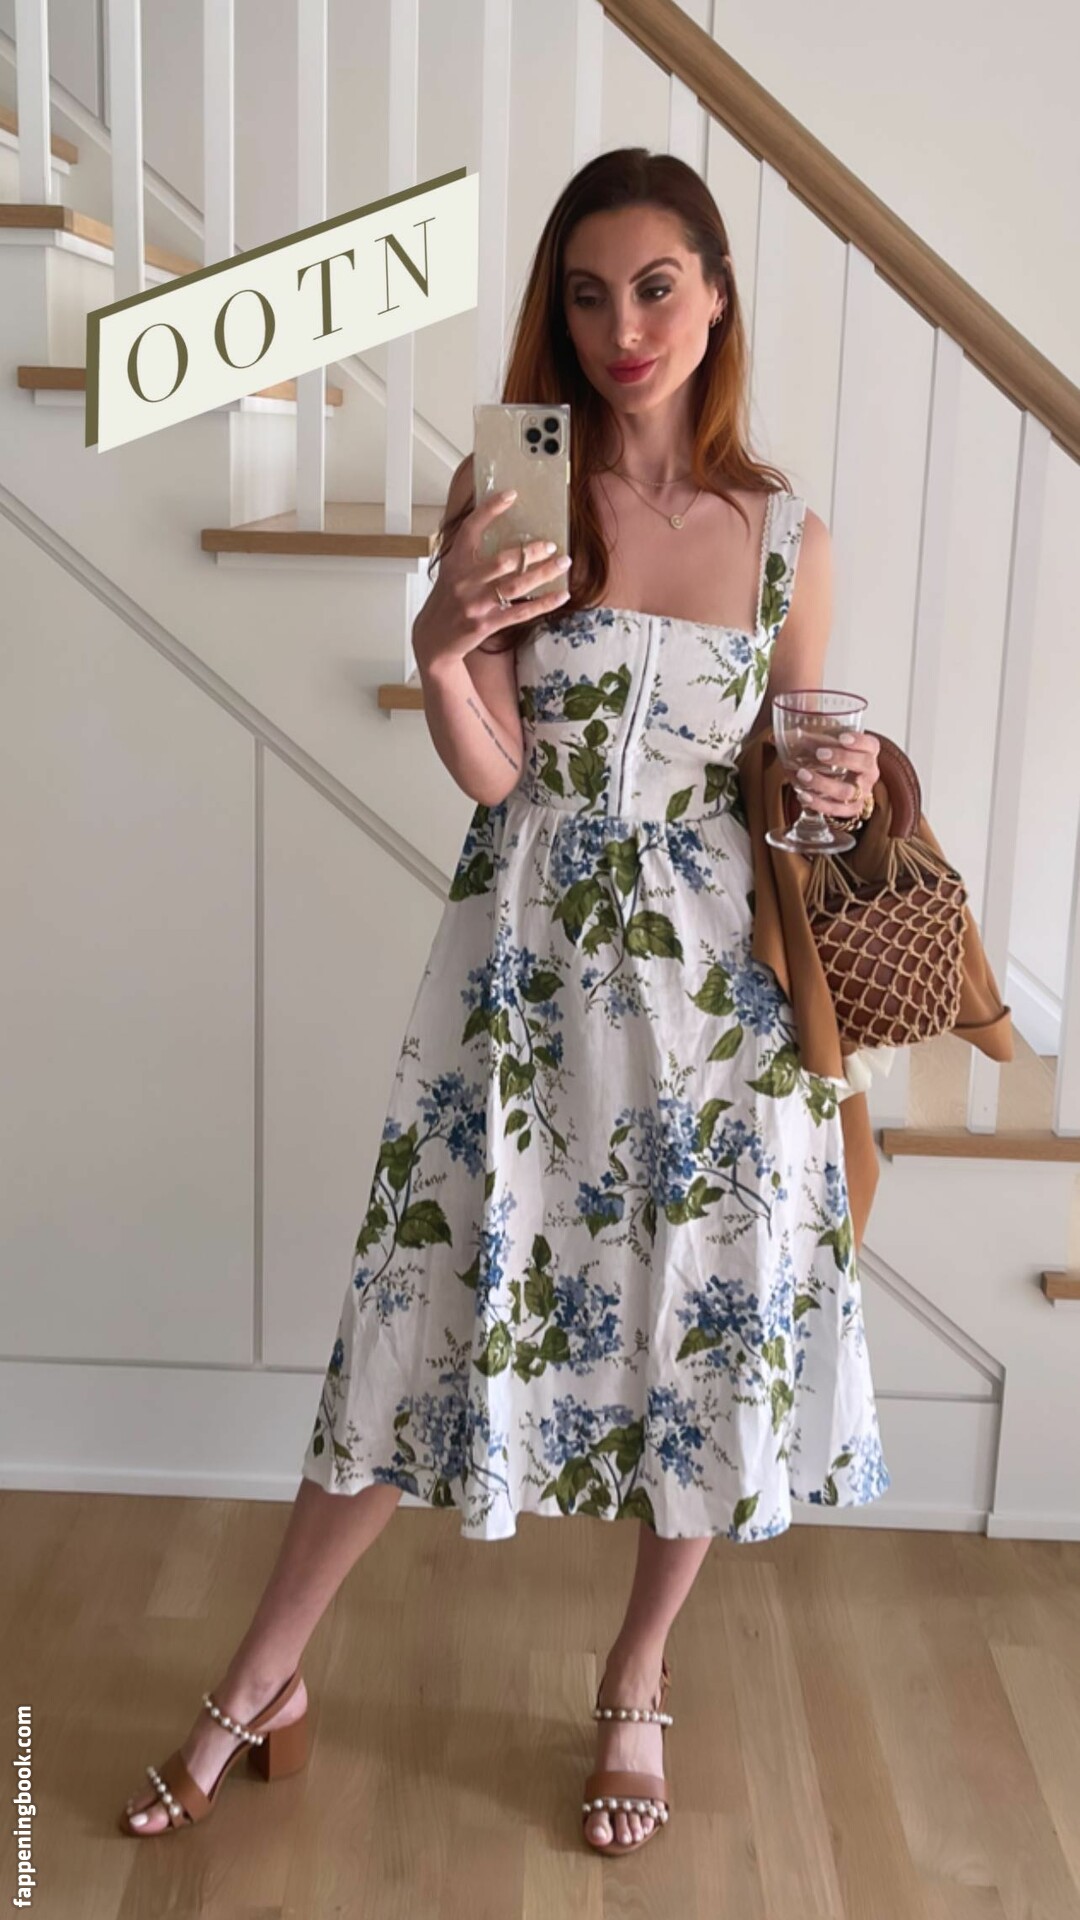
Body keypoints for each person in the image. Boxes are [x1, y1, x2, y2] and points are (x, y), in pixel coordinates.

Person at [119, 146, 888, 1856]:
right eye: (588, 294)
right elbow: (491, 774)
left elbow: (786, 785)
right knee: (421, 1305)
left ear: (718, 298)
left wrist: (831, 791)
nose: (625, 328)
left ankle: (636, 1676)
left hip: (723, 1002)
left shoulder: (787, 538)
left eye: (659, 287)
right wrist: (440, 646)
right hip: (525, 967)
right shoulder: (512, 483)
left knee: (709, 1324)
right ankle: (262, 1675)